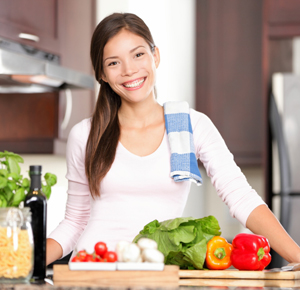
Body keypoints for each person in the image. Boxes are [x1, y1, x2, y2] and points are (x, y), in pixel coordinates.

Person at [46, 13, 300, 266]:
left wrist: (297, 256)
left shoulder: (191, 127)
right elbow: (75, 222)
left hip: (159, 273)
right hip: (92, 270)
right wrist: (26, 263)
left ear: (155, 56)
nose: (129, 70)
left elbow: (241, 198)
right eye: (113, 63)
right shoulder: (86, 134)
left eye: (138, 55)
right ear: (101, 73)